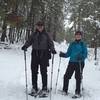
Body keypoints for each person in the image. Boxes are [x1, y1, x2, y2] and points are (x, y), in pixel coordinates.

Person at [22, 21, 56, 96]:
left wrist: (52, 49)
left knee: (43, 72)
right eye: (38, 26)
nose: (40, 27)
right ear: (36, 26)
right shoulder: (33, 34)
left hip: (44, 55)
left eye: (41, 26)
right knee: (34, 71)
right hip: (35, 54)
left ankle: (44, 88)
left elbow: (51, 43)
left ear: (43, 26)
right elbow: (29, 41)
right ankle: (34, 87)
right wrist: (25, 46)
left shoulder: (47, 34)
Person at [59, 31, 87, 98]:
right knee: (66, 76)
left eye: (79, 35)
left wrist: (82, 57)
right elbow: (68, 53)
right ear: (75, 36)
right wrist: (63, 55)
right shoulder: (72, 44)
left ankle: (77, 92)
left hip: (79, 63)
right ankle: (65, 90)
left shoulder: (83, 44)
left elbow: (85, 54)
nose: (78, 36)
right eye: (77, 35)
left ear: (81, 36)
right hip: (71, 62)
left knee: (78, 77)